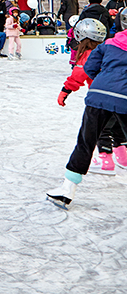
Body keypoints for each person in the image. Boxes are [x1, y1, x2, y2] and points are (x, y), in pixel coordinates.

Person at [47, 14, 127, 209]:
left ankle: (67, 190)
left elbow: (89, 68)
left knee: (85, 142)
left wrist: (103, 82)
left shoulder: (110, 43)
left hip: (98, 96)